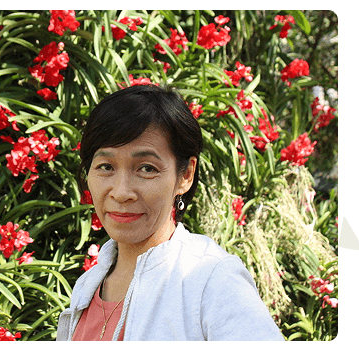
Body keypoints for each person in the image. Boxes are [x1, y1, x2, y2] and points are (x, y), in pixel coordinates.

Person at [55, 85, 283, 341]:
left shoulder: (211, 279)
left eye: (147, 168)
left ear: (185, 175)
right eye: (106, 166)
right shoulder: (88, 286)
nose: (121, 192)